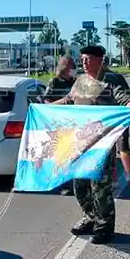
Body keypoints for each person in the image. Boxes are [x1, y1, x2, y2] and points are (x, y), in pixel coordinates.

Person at [51, 45, 130, 244]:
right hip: (80, 143)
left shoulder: (111, 79)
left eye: (88, 59)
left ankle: (104, 226)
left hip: (101, 143)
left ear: (100, 59)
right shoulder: (81, 80)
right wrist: (45, 107)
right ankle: (91, 216)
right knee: (80, 185)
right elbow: (69, 100)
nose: (84, 63)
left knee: (100, 187)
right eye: (82, 59)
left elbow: (124, 99)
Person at [44, 55, 78, 196]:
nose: (74, 70)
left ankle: (74, 183)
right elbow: (46, 101)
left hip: (75, 122)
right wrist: (59, 105)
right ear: (64, 67)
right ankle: (64, 184)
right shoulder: (55, 82)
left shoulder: (76, 82)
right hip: (60, 123)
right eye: (71, 67)